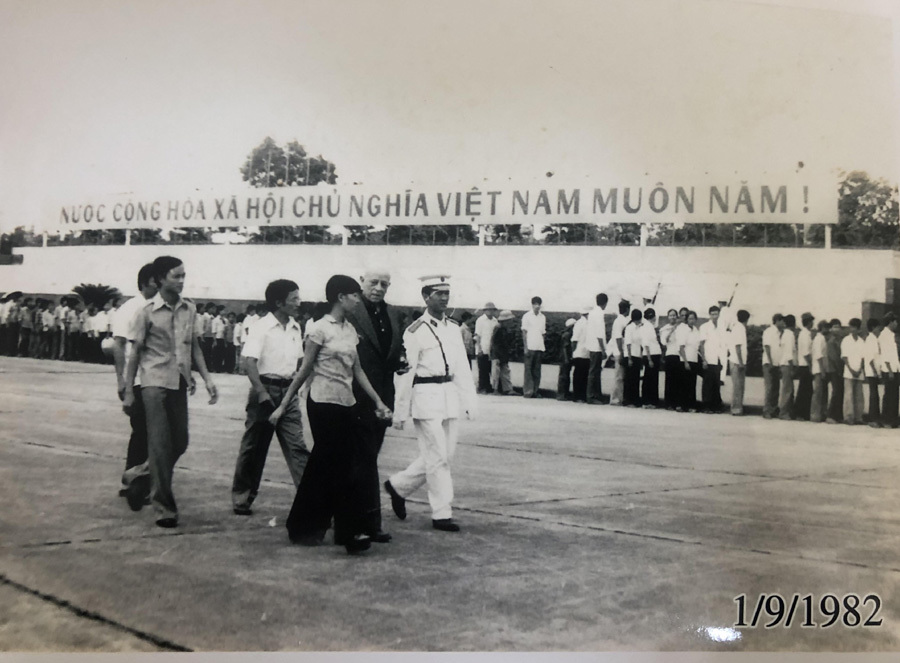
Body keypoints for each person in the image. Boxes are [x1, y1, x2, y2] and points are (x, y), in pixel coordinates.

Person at [272, 275, 391, 554]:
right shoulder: (318, 329)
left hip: (346, 403)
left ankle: (302, 526)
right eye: (354, 295)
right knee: (339, 468)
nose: (358, 299)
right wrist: (283, 405)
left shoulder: (350, 331)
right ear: (340, 297)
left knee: (323, 467)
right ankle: (347, 533)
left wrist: (378, 402)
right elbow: (304, 371)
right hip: (323, 404)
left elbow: (357, 371)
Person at [122, 256, 219, 528]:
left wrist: (208, 379)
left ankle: (138, 473)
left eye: (183, 275)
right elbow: (134, 354)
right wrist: (129, 391)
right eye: (176, 276)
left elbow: (195, 347)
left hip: (179, 382)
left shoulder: (190, 308)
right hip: (153, 384)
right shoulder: (146, 312)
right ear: (161, 279)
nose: (181, 280)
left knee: (181, 441)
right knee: (161, 445)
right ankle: (164, 508)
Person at [385, 275, 477, 533]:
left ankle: (398, 486)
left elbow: (461, 367)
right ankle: (441, 513)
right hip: (425, 397)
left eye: (447, 293)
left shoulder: (453, 328)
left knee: (444, 455)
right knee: (438, 458)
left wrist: (468, 400)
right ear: (426, 297)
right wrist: (400, 411)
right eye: (439, 293)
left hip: (448, 396)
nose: (445, 298)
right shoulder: (415, 331)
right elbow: (405, 373)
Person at [231, 280, 310, 516]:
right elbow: (249, 363)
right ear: (278, 302)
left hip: (288, 394)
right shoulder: (261, 327)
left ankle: (312, 501)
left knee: (298, 448)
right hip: (263, 391)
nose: (299, 303)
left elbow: (298, 362)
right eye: (294, 299)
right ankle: (242, 497)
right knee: (254, 448)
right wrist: (263, 393)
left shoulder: (296, 327)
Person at [344, 269, 406, 543]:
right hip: (353, 396)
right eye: (374, 283)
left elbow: (392, 351)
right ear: (361, 283)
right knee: (361, 460)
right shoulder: (351, 311)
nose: (379, 288)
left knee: (369, 459)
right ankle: (363, 522)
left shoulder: (393, 314)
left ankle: (363, 521)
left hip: (383, 397)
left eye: (385, 284)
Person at [111, 263, 159, 509]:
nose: (159, 285)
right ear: (145, 282)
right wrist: (122, 381)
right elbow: (119, 345)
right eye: (156, 280)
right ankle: (134, 480)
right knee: (142, 431)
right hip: (138, 380)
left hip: (155, 379)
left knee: (148, 433)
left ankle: (135, 479)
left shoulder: (157, 308)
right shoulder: (130, 308)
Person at [698, 305, 727, 413]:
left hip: (718, 359)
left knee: (716, 384)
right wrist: (704, 360)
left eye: (716, 314)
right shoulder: (704, 327)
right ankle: (706, 406)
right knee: (707, 384)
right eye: (713, 314)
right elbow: (701, 345)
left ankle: (716, 406)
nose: (715, 316)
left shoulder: (721, 327)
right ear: (709, 315)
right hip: (708, 359)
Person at [840, 318, 866, 425]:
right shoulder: (846, 340)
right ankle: (848, 417)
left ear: (858, 328)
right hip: (849, 372)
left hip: (859, 372)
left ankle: (858, 417)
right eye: (851, 327)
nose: (852, 329)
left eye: (854, 327)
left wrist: (860, 369)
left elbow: (863, 357)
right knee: (849, 395)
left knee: (859, 396)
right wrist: (851, 370)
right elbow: (844, 357)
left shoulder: (861, 341)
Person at [521, 296, 546, 398]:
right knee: (528, 370)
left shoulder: (542, 317)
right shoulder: (526, 316)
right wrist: (525, 347)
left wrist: (542, 345)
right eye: (535, 304)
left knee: (537, 370)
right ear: (532, 305)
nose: (537, 306)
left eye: (539, 304)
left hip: (539, 346)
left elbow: (543, 333)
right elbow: (524, 332)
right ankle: (528, 391)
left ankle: (535, 391)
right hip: (530, 346)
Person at [586, 294, 609, 404]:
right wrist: (603, 349)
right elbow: (600, 334)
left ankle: (597, 395)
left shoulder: (592, 313)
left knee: (595, 371)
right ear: (605, 303)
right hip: (597, 347)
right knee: (594, 372)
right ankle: (591, 396)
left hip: (592, 345)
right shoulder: (599, 314)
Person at [792, 313, 815, 420]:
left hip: (804, 365)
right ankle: (800, 413)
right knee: (804, 390)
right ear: (809, 322)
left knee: (806, 389)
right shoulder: (805, 335)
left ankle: (802, 413)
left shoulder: (805, 334)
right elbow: (806, 353)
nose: (812, 323)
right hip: (805, 365)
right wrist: (811, 366)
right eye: (811, 321)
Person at [678, 311, 701, 412]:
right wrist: (686, 362)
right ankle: (683, 405)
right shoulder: (684, 330)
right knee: (684, 384)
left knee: (692, 384)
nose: (692, 321)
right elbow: (681, 348)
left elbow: (698, 347)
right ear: (687, 320)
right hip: (685, 360)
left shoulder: (696, 331)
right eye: (690, 319)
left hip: (694, 359)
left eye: (693, 318)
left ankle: (691, 405)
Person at [761, 314, 784, 419]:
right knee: (769, 387)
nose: (783, 324)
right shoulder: (769, 332)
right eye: (782, 321)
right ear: (777, 321)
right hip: (769, 363)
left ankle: (773, 409)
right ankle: (767, 410)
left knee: (776, 387)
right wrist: (770, 362)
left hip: (777, 363)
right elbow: (767, 346)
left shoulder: (780, 333)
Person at [608, 300, 631, 405]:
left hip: (621, 351)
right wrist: (621, 352)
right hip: (619, 351)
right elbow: (618, 338)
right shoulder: (619, 321)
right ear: (627, 309)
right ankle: (615, 399)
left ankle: (619, 398)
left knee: (622, 376)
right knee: (619, 376)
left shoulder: (623, 320)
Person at [473, 303, 499, 394]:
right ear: (485, 311)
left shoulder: (495, 321)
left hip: (491, 349)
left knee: (489, 369)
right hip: (482, 348)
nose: (490, 311)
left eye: (492, 310)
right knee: (482, 369)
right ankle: (481, 387)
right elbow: (477, 335)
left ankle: (488, 387)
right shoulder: (480, 320)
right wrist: (479, 348)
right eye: (488, 310)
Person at [640, 308, 662, 408]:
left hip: (654, 355)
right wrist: (649, 359)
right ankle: (648, 401)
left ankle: (651, 401)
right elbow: (646, 344)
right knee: (650, 379)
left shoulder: (649, 326)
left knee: (652, 379)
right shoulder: (647, 327)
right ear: (652, 316)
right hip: (651, 355)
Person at [729, 309, 750, 416]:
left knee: (739, 386)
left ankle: (738, 408)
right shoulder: (740, 328)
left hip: (737, 361)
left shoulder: (737, 327)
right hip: (737, 362)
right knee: (738, 387)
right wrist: (741, 363)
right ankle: (736, 409)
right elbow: (738, 347)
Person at [880, 313, 899, 429]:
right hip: (889, 370)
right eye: (895, 321)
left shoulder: (891, 335)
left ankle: (893, 420)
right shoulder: (884, 335)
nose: (897, 324)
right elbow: (886, 354)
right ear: (890, 322)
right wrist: (891, 371)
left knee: (895, 395)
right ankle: (887, 420)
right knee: (889, 395)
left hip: (895, 368)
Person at [490, 310, 517, 395]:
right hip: (497, 354)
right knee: (496, 373)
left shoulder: (505, 329)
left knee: (505, 371)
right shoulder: (498, 328)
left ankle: (507, 389)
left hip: (503, 353)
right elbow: (494, 342)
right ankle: (495, 389)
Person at [863, 318, 883, 427]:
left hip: (875, 371)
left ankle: (875, 418)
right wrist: (875, 371)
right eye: (877, 327)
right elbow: (870, 358)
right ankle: (872, 419)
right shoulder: (870, 340)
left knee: (875, 395)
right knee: (874, 395)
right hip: (872, 372)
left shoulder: (875, 339)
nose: (879, 329)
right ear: (873, 328)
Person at [810, 319, 830, 423]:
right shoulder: (819, 339)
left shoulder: (821, 338)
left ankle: (821, 414)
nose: (828, 330)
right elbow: (819, 356)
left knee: (822, 393)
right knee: (818, 393)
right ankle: (815, 415)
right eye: (826, 327)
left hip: (821, 369)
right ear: (822, 328)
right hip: (819, 369)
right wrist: (822, 370)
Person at [825, 318, 845, 424]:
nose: (837, 329)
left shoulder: (841, 340)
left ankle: (838, 415)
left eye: (838, 327)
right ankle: (831, 415)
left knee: (840, 391)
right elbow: (834, 358)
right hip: (834, 369)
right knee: (836, 391)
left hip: (840, 369)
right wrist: (839, 369)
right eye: (834, 327)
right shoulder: (831, 341)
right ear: (831, 329)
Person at [660, 309, 681, 410]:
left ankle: (676, 403)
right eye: (670, 315)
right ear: (668, 317)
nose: (672, 317)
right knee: (669, 380)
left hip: (679, 356)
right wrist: (672, 330)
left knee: (677, 380)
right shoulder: (664, 329)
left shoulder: (681, 328)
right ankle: (668, 403)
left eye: (674, 315)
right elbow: (664, 342)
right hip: (670, 355)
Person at [778, 314, 798, 420]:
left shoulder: (785, 334)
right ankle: (784, 412)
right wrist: (792, 367)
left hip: (784, 364)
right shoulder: (790, 335)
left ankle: (788, 412)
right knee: (787, 390)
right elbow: (789, 353)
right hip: (787, 364)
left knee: (788, 389)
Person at [571, 307, 592, 402]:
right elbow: (574, 340)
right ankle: (578, 396)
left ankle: (580, 396)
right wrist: (574, 352)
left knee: (581, 375)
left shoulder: (584, 323)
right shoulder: (580, 323)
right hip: (581, 352)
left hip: (583, 352)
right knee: (580, 375)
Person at [622, 309, 643, 407]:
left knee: (635, 379)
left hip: (637, 355)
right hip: (630, 356)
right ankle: (628, 400)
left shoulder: (639, 328)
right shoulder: (629, 328)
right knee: (629, 379)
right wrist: (629, 358)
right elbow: (628, 343)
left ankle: (635, 400)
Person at [557, 318, 577, 401]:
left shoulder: (568, 334)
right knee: (564, 376)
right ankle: (562, 394)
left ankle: (565, 393)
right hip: (565, 357)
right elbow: (565, 347)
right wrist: (566, 358)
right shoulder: (567, 335)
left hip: (566, 357)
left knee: (566, 375)